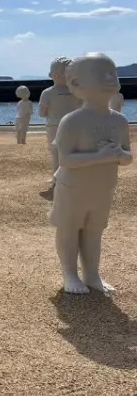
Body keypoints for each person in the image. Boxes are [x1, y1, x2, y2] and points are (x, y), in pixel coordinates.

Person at [49, 52, 131, 294]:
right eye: (101, 74)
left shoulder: (119, 121)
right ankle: (70, 274)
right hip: (73, 187)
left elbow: (128, 157)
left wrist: (119, 154)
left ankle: (92, 274)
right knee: (70, 228)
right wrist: (100, 156)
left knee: (94, 231)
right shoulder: (71, 121)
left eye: (112, 73)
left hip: (104, 186)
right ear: (75, 84)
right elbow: (65, 160)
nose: (110, 78)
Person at [39, 57, 82, 200]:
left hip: (54, 127)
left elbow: (42, 113)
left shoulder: (47, 92)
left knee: (57, 157)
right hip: (74, 126)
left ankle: (56, 186)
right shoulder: (77, 91)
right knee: (73, 155)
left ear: (52, 74)